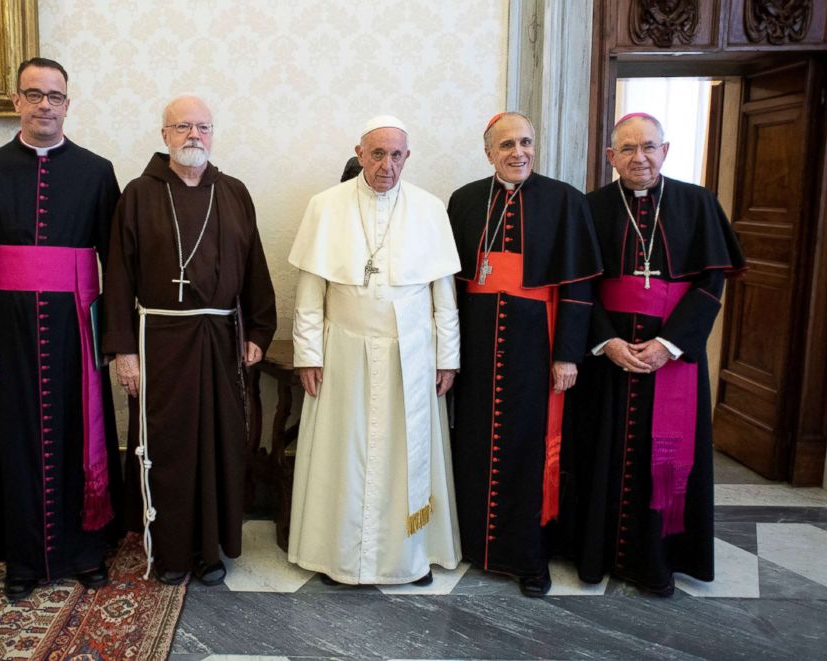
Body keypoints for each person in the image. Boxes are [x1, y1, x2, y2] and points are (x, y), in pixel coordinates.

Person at [0, 57, 122, 601]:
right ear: (16, 102)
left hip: (77, 329)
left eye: (55, 96)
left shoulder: (97, 171)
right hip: (8, 332)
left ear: (68, 104)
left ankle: (86, 551)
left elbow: (115, 263)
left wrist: (114, 341)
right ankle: (22, 560)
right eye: (34, 94)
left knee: (80, 435)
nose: (45, 104)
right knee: (16, 441)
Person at [103, 95, 276, 587]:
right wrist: (123, 351)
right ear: (164, 136)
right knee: (170, 447)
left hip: (221, 338)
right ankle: (173, 550)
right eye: (182, 127)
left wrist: (260, 331)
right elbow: (117, 276)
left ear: (213, 134)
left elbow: (254, 268)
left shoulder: (235, 192)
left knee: (220, 442)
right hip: (158, 340)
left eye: (202, 127)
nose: (193, 136)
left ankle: (210, 550)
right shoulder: (137, 194)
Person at [574, 113, 745, 596]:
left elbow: (711, 283)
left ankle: (660, 560)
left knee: (664, 457)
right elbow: (580, 287)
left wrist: (669, 344)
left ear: (665, 151)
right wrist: (606, 342)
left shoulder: (697, 203)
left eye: (648, 147)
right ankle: (597, 556)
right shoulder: (591, 208)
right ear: (611, 158)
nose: (639, 158)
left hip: (674, 358)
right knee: (602, 454)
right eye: (627, 149)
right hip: (610, 358)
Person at [287, 116, 462, 586]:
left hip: (411, 353)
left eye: (397, 154)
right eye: (378, 154)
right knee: (343, 454)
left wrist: (448, 357)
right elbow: (310, 291)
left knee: (408, 454)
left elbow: (442, 293)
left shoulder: (429, 208)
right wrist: (308, 353)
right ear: (360, 153)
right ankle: (339, 557)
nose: (388, 165)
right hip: (343, 350)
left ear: (408, 157)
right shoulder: (325, 206)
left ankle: (409, 557)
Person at [447, 112, 603, 597]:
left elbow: (578, 286)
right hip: (476, 347)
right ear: (489, 151)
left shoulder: (564, 201)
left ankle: (528, 557)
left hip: (536, 347)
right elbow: (448, 285)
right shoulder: (465, 200)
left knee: (528, 451)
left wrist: (568, 355)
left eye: (527, 142)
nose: (520, 152)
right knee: (473, 443)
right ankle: (475, 545)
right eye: (508, 144)